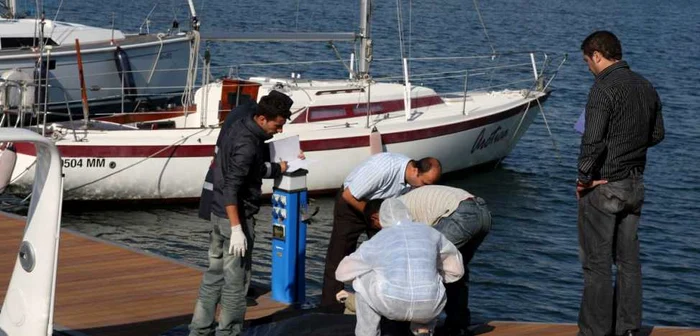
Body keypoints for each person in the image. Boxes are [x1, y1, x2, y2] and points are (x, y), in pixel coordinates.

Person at [576, 31, 664, 336]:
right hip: (635, 185)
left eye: (587, 61)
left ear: (597, 56)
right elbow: (656, 135)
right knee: (629, 262)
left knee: (597, 264)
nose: (588, 67)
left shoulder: (603, 88)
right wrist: (628, 151)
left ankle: (595, 332)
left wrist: (584, 178)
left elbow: (593, 141)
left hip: (604, 185)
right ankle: (628, 329)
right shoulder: (645, 85)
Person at [189, 91, 294, 336]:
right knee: (236, 284)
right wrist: (237, 229)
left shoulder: (238, 126)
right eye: (278, 125)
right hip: (235, 218)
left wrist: (277, 167)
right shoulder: (248, 144)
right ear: (262, 118)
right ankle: (229, 332)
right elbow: (232, 188)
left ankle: (199, 329)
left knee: (213, 275)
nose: (279, 131)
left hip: (216, 213)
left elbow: (247, 169)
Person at [363, 185, 492, 336]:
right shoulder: (403, 203)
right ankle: (457, 325)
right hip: (483, 213)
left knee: (422, 266)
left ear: (375, 217)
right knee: (455, 269)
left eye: (377, 227)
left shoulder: (398, 215)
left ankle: (410, 325)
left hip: (461, 214)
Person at [320, 152, 443, 310]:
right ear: (415, 171)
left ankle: (382, 304)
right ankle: (330, 307)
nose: (424, 188)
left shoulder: (412, 182)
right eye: (424, 183)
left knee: (386, 257)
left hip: (380, 210)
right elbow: (348, 195)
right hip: (352, 206)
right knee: (338, 256)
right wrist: (375, 216)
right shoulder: (384, 168)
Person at [335, 199, 464, 336]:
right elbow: (457, 270)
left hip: (392, 305)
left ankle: (367, 333)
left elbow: (342, 273)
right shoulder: (431, 232)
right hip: (429, 307)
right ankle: (422, 329)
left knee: (361, 280)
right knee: (431, 277)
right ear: (406, 213)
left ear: (381, 218)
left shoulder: (378, 239)